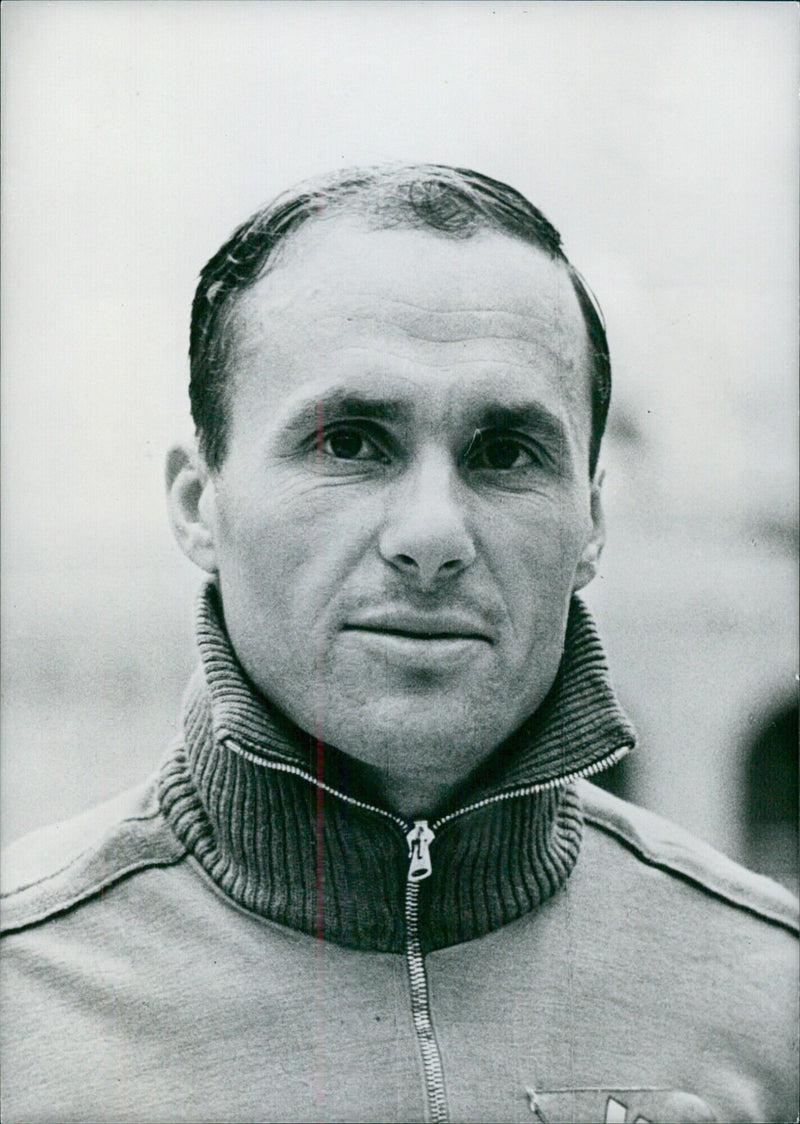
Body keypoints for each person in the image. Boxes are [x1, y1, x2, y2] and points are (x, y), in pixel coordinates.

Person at [2, 165, 796, 1124]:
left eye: (505, 452)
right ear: (198, 504)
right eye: (348, 443)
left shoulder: (770, 996)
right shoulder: (25, 992)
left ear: (590, 523)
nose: (432, 535)